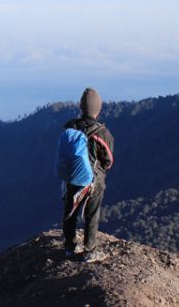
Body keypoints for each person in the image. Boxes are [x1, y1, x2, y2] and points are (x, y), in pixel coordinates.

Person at [62, 87, 115, 262]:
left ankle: (69, 246)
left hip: (71, 177)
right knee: (92, 213)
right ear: (98, 109)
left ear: (81, 107)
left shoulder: (70, 126)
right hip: (93, 181)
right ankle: (90, 250)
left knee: (70, 210)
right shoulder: (102, 133)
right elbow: (108, 160)